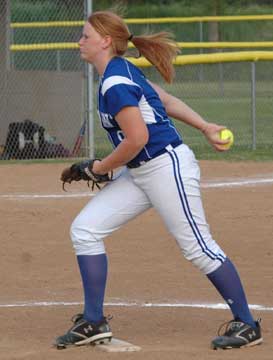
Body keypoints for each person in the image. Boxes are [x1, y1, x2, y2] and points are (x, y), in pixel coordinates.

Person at [55, 10, 262, 350]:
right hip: (142, 172)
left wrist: (102, 167)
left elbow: (136, 138)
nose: (80, 41)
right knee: (85, 230)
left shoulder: (116, 80)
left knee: (198, 247)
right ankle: (93, 321)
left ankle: (248, 324)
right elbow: (165, 102)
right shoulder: (119, 71)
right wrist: (206, 126)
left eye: (86, 36)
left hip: (166, 168)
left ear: (106, 41)